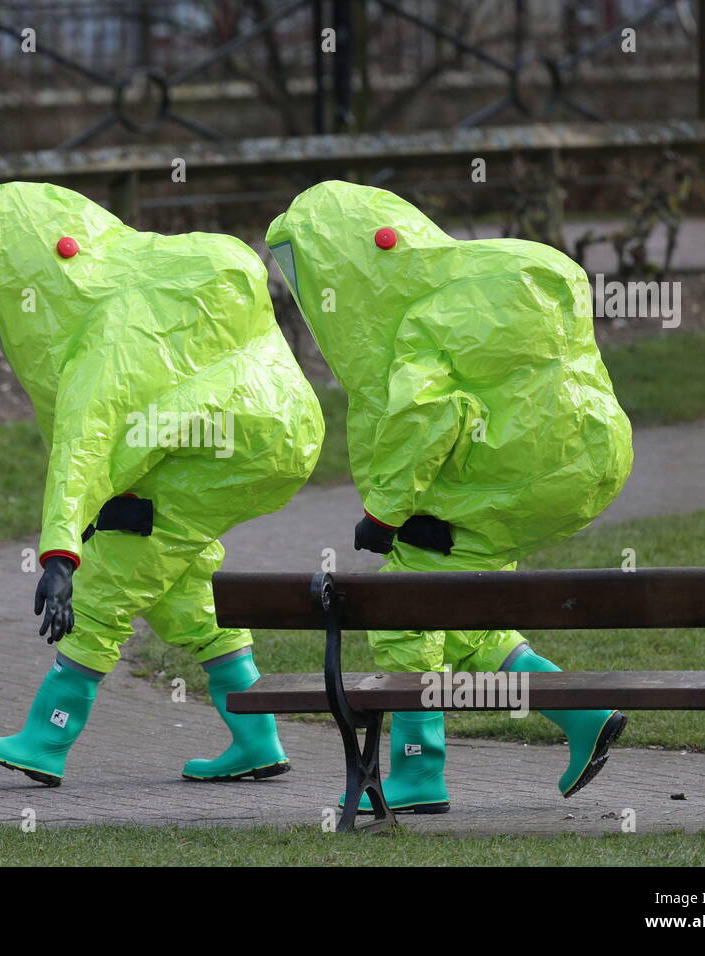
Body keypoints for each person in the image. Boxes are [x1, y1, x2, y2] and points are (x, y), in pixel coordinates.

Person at [265, 180, 634, 812]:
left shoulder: (420, 319)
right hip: (570, 470)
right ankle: (582, 714)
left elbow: (427, 418)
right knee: (462, 608)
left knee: (406, 606)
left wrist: (385, 514)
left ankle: (417, 770)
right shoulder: (472, 287)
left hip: (504, 484)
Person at [0, 182, 323, 786]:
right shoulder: (152, 279)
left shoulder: (109, 331)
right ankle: (257, 737)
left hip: (220, 447)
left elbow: (85, 445)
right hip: (270, 432)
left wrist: (61, 554)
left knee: (110, 574)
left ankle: (47, 738)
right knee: (185, 586)